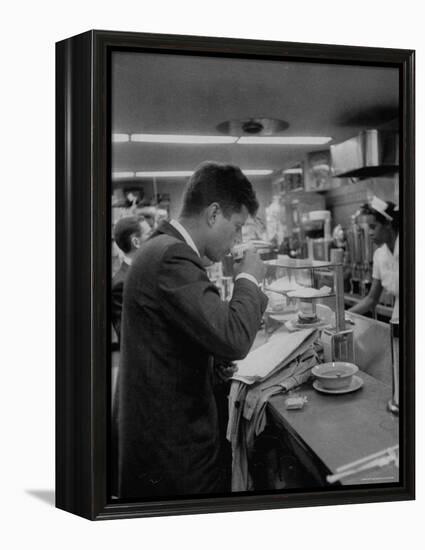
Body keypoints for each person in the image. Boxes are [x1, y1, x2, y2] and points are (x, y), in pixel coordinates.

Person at [117, 161, 268, 498]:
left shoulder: (158, 249)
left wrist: (210, 367)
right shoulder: (173, 258)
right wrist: (249, 277)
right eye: (237, 227)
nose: (236, 241)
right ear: (213, 214)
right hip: (175, 458)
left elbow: (166, 345)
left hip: (157, 443)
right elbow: (232, 338)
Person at [349, 196, 399, 321]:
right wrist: (344, 315)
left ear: (387, 224)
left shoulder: (411, 251)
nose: (370, 233)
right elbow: (371, 299)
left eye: (373, 227)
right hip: (398, 317)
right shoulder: (379, 255)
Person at [111, 216, 147, 342]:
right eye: (149, 234)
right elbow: (126, 334)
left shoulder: (150, 269)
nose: (155, 239)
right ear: (136, 242)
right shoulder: (120, 284)